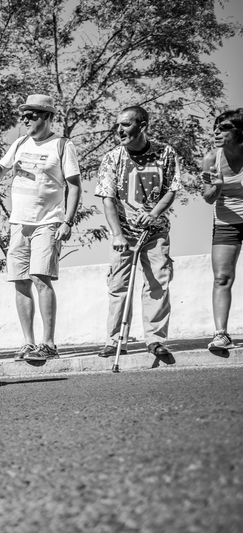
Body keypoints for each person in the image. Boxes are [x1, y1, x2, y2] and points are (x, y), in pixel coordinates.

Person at [0, 94, 82, 362]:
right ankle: (29, 344)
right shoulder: (21, 142)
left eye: (33, 114)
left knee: (40, 278)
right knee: (20, 282)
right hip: (19, 223)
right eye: (24, 114)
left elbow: (74, 186)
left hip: (48, 222)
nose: (26, 119)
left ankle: (48, 344)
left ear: (48, 117)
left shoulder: (62, 145)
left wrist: (67, 221)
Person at [94, 106, 181, 358]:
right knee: (119, 285)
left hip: (155, 232)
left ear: (142, 126)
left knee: (157, 283)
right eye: (118, 125)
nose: (119, 130)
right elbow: (108, 199)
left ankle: (155, 340)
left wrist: (153, 214)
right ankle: (115, 340)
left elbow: (172, 189)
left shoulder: (165, 152)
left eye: (125, 125)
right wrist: (117, 234)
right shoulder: (113, 157)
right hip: (124, 233)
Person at [201, 109, 243, 350]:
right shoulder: (211, 159)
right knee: (222, 277)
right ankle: (221, 335)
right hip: (226, 222)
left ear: (240, 133)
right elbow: (208, 198)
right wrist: (217, 186)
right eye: (215, 126)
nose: (216, 131)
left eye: (224, 127)